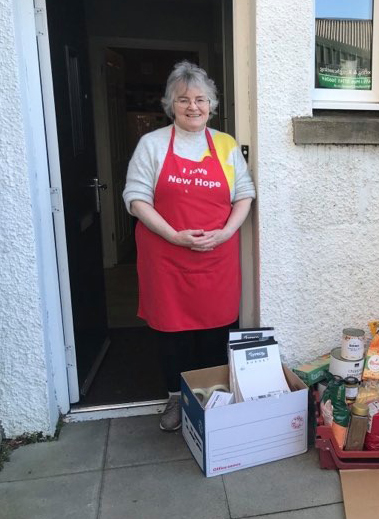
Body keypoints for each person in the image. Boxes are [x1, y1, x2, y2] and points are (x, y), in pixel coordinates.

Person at [123, 61, 255, 431]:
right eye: (183, 100)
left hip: (217, 258)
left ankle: (212, 400)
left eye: (200, 99)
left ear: (211, 104)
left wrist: (227, 232)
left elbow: (244, 194)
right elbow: (136, 198)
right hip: (166, 258)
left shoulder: (226, 145)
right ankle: (176, 400)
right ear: (171, 104)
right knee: (171, 333)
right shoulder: (151, 145)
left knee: (216, 330)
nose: (192, 107)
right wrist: (173, 235)